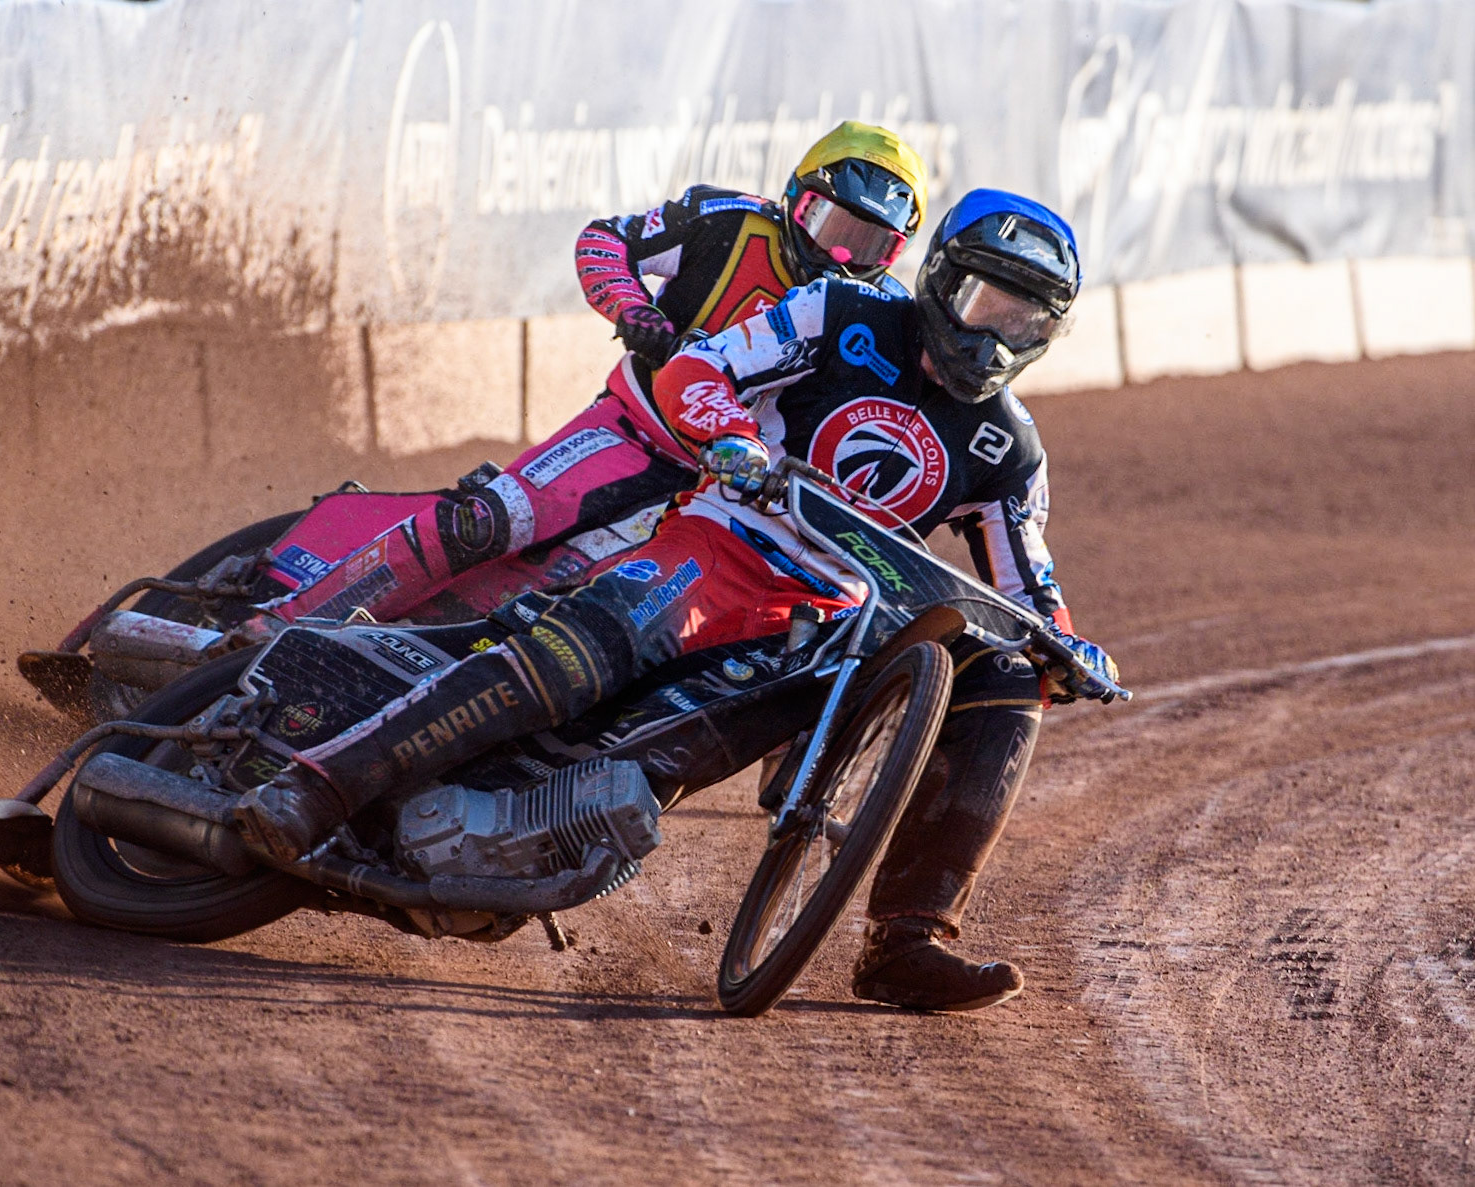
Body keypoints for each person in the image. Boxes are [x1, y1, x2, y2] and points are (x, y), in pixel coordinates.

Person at [234, 189, 1119, 1013]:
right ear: (939, 279)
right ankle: (316, 785)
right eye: (983, 303)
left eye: (1023, 319)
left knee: (1009, 676)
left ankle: (904, 938)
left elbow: (1025, 585)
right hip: (726, 543)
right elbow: (700, 367)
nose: (993, 336)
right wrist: (731, 437)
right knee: (570, 659)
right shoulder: (841, 311)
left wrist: (1069, 648)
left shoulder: (1008, 447)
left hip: (831, 630)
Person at [281, 122, 930, 624]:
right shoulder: (726, 220)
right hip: (631, 430)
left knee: (574, 610)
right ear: (795, 195)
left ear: (896, 255)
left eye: (869, 245)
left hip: (725, 494)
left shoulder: (879, 317)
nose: (836, 254)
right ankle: (285, 620)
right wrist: (631, 308)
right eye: (827, 223)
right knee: (488, 519)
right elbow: (603, 239)